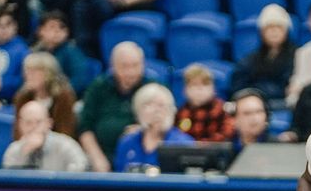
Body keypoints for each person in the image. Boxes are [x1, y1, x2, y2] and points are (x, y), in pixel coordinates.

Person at [78, 41, 153, 172]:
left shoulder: (154, 88)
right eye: (124, 66)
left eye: (135, 66)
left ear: (143, 65)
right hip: (102, 158)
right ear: (113, 66)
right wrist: (97, 158)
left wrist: (144, 130)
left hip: (142, 161)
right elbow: (85, 127)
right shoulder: (98, 87)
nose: (130, 72)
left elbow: (166, 126)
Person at [113, 83, 193, 172]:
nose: (156, 111)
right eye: (149, 105)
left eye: (161, 105)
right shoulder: (127, 142)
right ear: (138, 111)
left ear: (172, 111)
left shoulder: (184, 143)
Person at [231, 4, 296, 108]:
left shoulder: (298, 55)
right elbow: (238, 87)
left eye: (278, 27)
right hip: (255, 105)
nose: (274, 31)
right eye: (269, 27)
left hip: (286, 106)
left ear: (286, 31)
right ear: (261, 32)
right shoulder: (250, 59)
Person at [3, 100, 89, 171]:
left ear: (49, 124)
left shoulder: (66, 145)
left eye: (38, 122)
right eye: (28, 123)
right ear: (20, 125)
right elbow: (9, 183)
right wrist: (24, 154)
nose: (33, 128)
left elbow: (81, 169)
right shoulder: (13, 151)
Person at [12, 52, 78, 139]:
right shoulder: (22, 98)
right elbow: (18, 133)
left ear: (49, 74)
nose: (28, 76)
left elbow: (65, 132)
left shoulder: (63, 97)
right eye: (27, 71)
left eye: (34, 72)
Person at [32, 11, 93, 95]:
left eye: (62, 27)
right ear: (40, 31)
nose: (57, 31)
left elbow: (80, 81)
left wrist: (58, 94)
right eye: (52, 27)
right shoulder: (36, 53)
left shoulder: (72, 52)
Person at [176, 63, 234, 142]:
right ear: (185, 90)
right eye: (194, 84)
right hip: (186, 152)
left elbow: (227, 133)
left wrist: (203, 145)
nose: (199, 89)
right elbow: (175, 137)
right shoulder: (180, 113)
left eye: (205, 84)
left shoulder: (222, 110)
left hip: (215, 152)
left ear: (213, 89)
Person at [231, 89, 275, 154]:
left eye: (259, 112)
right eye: (247, 113)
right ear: (235, 119)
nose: (254, 118)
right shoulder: (224, 148)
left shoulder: (278, 147)